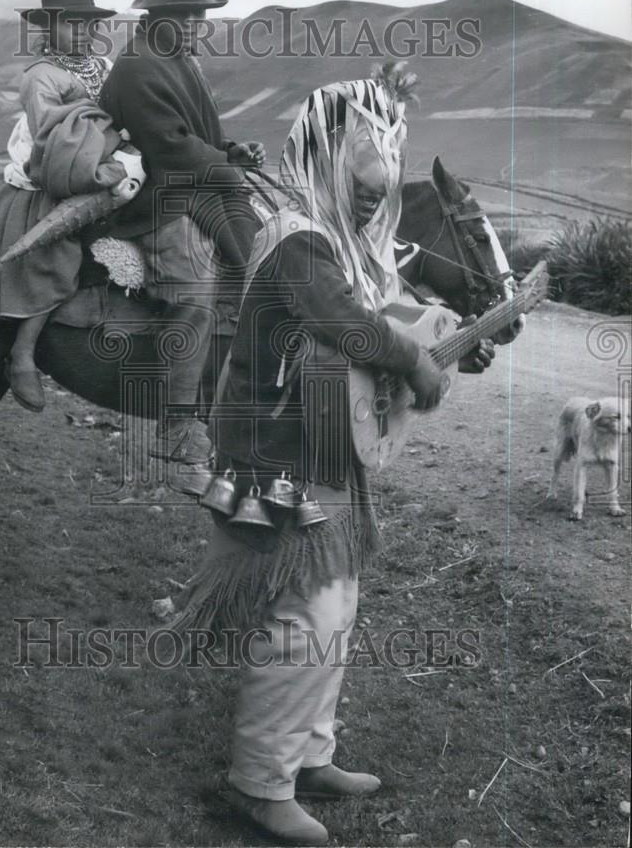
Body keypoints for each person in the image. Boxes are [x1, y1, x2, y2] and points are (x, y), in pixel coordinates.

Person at [175, 74, 496, 845]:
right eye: (360, 172)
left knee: (337, 606)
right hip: (277, 452)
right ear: (322, 157)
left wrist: (433, 330)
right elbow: (347, 325)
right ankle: (259, 783)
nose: (372, 191)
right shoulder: (296, 238)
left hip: (320, 447)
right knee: (305, 617)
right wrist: (415, 364)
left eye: (380, 176)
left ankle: (308, 755)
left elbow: (372, 311)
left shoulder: (328, 239)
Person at [0, 0, 144, 411]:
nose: (84, 31)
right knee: (56, 247)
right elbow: (54, 138)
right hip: (57, 171)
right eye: (72, 23)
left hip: (108, 161)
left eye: (90, 23)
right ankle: (23, 354)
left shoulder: (102, 67)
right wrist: (104, 159)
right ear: (48, 26)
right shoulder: (41, 78)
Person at [101, 0, 265, 495]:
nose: (201, 24)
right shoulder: (140, 65)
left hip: (191, 184)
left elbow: (193, 134)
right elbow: (168, 147)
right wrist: (224, 163)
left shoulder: (177, 57)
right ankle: (175, 427)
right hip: (152, 200)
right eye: (192, 14)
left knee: (258, 251)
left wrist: (230, 149)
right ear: (163, 14)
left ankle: (234, 393)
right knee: (195, 292)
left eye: (203, 14)